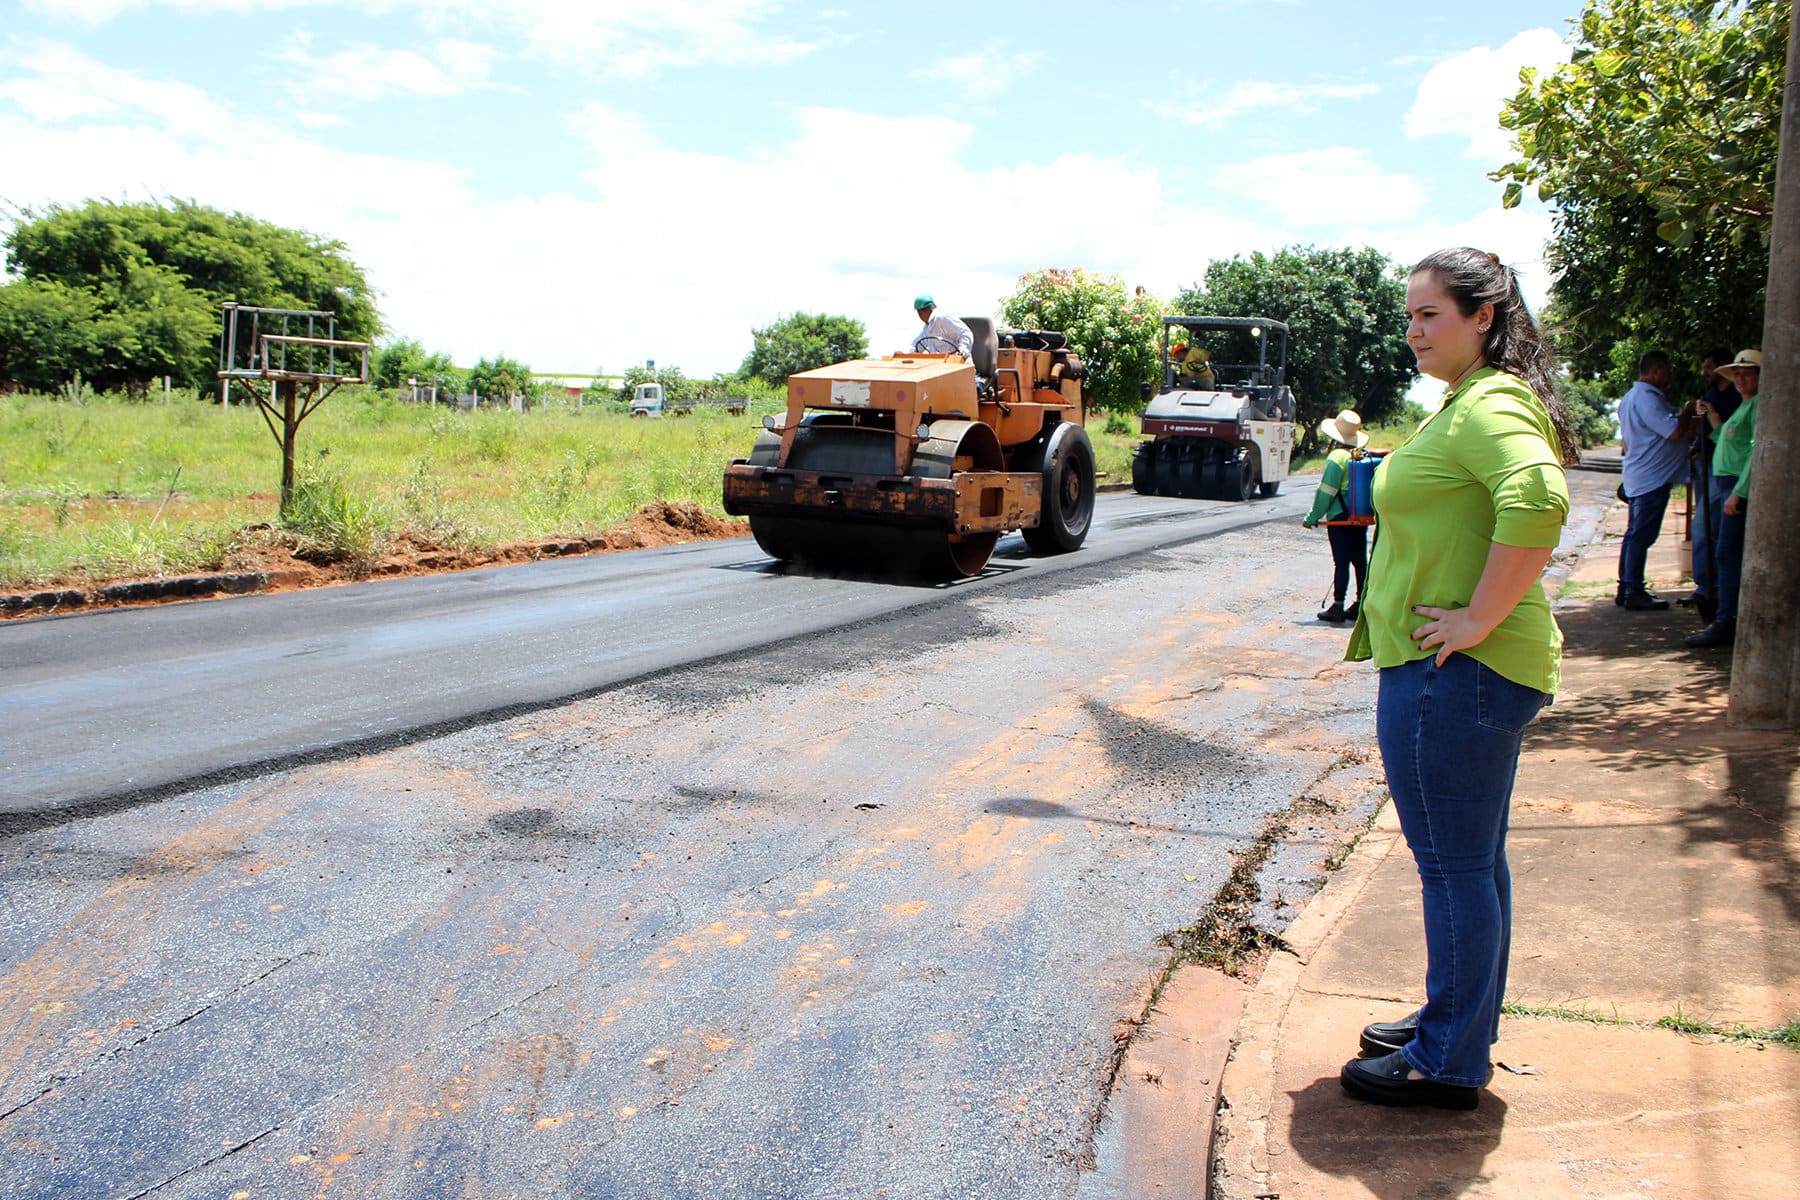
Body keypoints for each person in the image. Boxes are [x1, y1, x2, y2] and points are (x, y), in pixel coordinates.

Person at [1340, 248, 1575, 1110]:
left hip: (1457, 672)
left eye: (1429, 313)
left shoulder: (1490, 403)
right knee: (1472, 863)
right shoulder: (1468, 400)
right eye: (1409, 315)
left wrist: (1477, 616)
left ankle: (1445, 1059)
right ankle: (1458, 1025)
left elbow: (1538, 498)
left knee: (1452, 869)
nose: (1413, 330)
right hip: (1464, 673)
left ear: (1484, 317)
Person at [1686, 348, 1760, 648]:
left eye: (1748, 373)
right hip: (1727, 484)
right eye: (1737, 374)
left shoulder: (1758, 406)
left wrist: (1739, 493)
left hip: (1737, 488)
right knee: (1725, 552)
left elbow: (1757, 451)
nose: (1741, 379)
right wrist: (1713, 417)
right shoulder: (1744, 406)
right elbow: (1726, 441)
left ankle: (1727, 619)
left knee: (1727, 554)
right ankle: (1727, 616)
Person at [1614, 350, 1691, 610]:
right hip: (1651, 479)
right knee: (1640, 536)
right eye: (1667, 370)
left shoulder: (1632, 397)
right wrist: (1688, 411)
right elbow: (1674, 431)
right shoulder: (1646, 399)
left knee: (1634, 535)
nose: (1670, 376)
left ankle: (1627, 587)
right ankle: (1634, 591)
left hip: (1643, 476)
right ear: (1656, 371)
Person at [1682, 348, 1741, 625]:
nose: (1705, 372)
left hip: (1724, 470)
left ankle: (1710, 590)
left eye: (1709, 367)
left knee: (1705, 529)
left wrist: (1714, 417)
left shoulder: (1737, 399)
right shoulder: (1712, 392)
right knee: (1709, 528)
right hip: (1707, 463)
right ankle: (1707, 588)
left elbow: (1729, 436)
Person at [1302, 409, 1369, 623]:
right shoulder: (1361, 455)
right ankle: (1361, 605)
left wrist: (1312, 517)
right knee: (1360, 561)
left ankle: (1338, 607)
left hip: (1339, 518)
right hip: (1360, 517)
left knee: (1341, 562)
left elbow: (1326, 493)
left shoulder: (1336, 458)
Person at [910, 295, 973, 360]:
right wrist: (907, 353)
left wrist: (963, 351)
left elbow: (965, 333)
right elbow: (916, 344)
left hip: (959, 363)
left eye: (922, 311)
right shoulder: (927, 327)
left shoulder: (943, 318)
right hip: (941, 364)